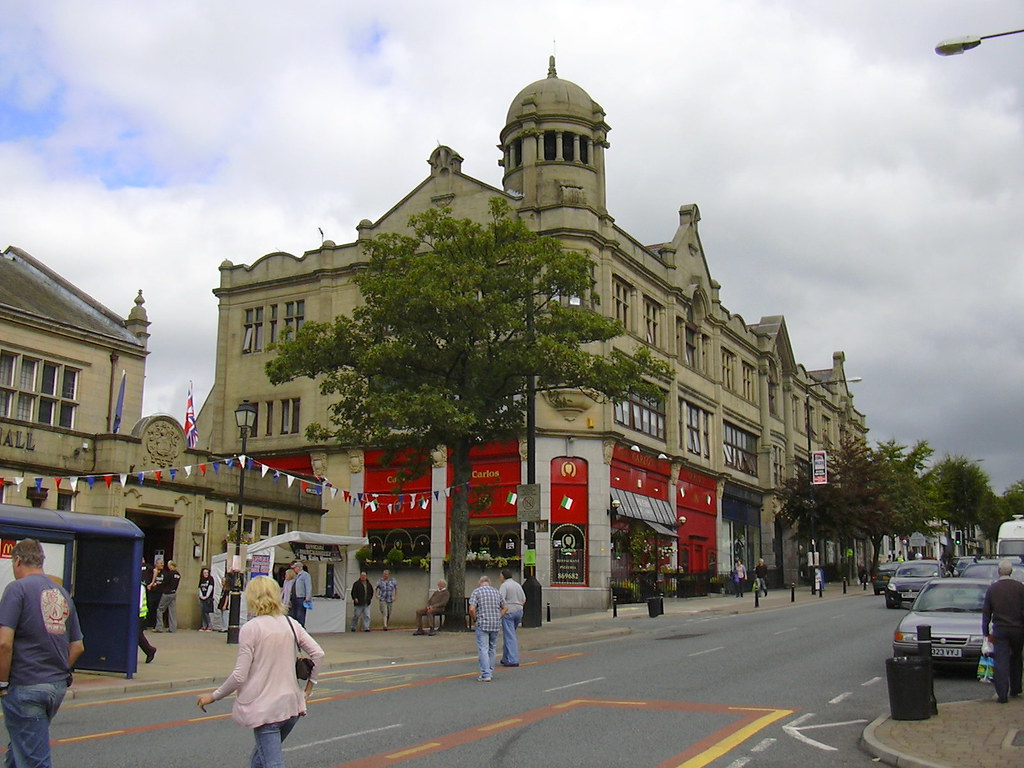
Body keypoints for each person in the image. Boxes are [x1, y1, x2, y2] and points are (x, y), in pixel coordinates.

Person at [197, 576, 324, 768]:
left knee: (272, 763)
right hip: (291, 706)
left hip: (266, 709)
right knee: (260, 758)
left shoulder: (251, 628)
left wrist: (213, 696)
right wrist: (308, 690)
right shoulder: (291, 624)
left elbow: (239, 675)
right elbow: (318, 653)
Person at [0, 538, 85, 768]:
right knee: (21, 750)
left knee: (34, 761)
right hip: (54, 686)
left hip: (25, 683)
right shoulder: (62, 593)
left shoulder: (17, 589)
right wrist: (58, 671)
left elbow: (4, 643)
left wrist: (3, 683)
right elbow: (77, 646)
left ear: (17, 561)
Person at [981, 559, 1024, 704]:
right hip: (1018, 629)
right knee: (1017, 657)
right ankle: (1016, 687)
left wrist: (985, 632)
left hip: (1000, 630)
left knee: (1001, 661)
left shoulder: (993, 589)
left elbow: (986, 612)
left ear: (999, 571)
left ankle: (1002, 694)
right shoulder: (1020, 588)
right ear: (1011, 571)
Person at [468, 574, 506, 682]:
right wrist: (499, 616)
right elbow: (505, 607)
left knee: (483, 649)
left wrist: (475, 619)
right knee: (492, 648)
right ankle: (490, 671)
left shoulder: (477, 592)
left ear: (480, 583)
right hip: (495, 623)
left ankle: (485, 674)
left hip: (483, 623)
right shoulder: (496, 592)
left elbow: (471, 609)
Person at [498, 569, 526, 666]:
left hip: (508, 611)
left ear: (503, 577)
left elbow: (500, 599)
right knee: (510, 633)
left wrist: (501, 611)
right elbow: (523, 599)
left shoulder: (504, 586)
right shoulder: (517, 585)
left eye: (500, 576)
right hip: (519, 610)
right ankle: (506, 657)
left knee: (510, 636)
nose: (499, 578)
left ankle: (513, 659)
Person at [155, 560, 181, 632]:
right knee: (172, 611)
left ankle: (159, 627)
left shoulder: (169, 574)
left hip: (167, 593)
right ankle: (173, 628)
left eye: (169, 565)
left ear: (171, 566)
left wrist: (156, 585)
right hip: (173, 593)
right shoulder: (178, 574)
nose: (167, 566)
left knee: (160, 609)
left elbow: (164, 583)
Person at [288, 561, 312, 628]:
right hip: (294, 597)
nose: (294, 569)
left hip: (301, 597)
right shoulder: (296, 576)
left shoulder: (305, 575)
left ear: (299, 567)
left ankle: (301, 627)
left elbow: (308, 587)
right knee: (294, 614)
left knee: (300, 614)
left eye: (295, 568)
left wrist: (308, 597)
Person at [138, 583, 157, 664]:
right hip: (137, 615)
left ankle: (150, 650)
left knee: (137, 635)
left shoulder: (140, 587)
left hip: (139, 616)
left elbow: (139, 603)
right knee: (137, 636)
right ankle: (150, 650)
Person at [198, 567, 216, 632]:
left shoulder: (210, 579)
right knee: (203, 612)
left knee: (207, 612)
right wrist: (201, 596)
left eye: (207, 573)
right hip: (202, 598)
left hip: (208, 599)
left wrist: (206, 596)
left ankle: (209, 626)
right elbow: (199, 587)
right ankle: (204, 625)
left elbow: (210, 588)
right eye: (204, 573)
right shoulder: (201, 579)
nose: (205, 574)